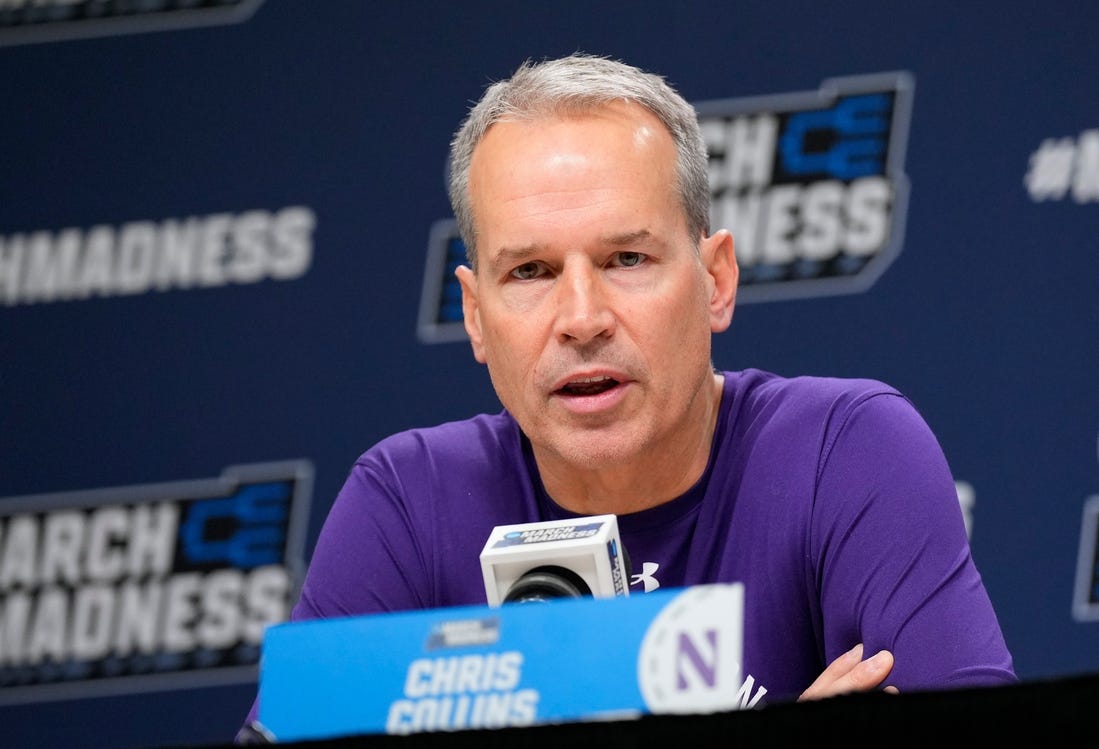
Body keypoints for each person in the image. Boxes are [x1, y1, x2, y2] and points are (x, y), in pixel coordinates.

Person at [236, 52, 1015, 741]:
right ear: (475, 316)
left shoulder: (845, 452)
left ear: (715, 281)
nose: (581, 319)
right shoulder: (407, 501)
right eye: (531, 272)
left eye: (627, 258)